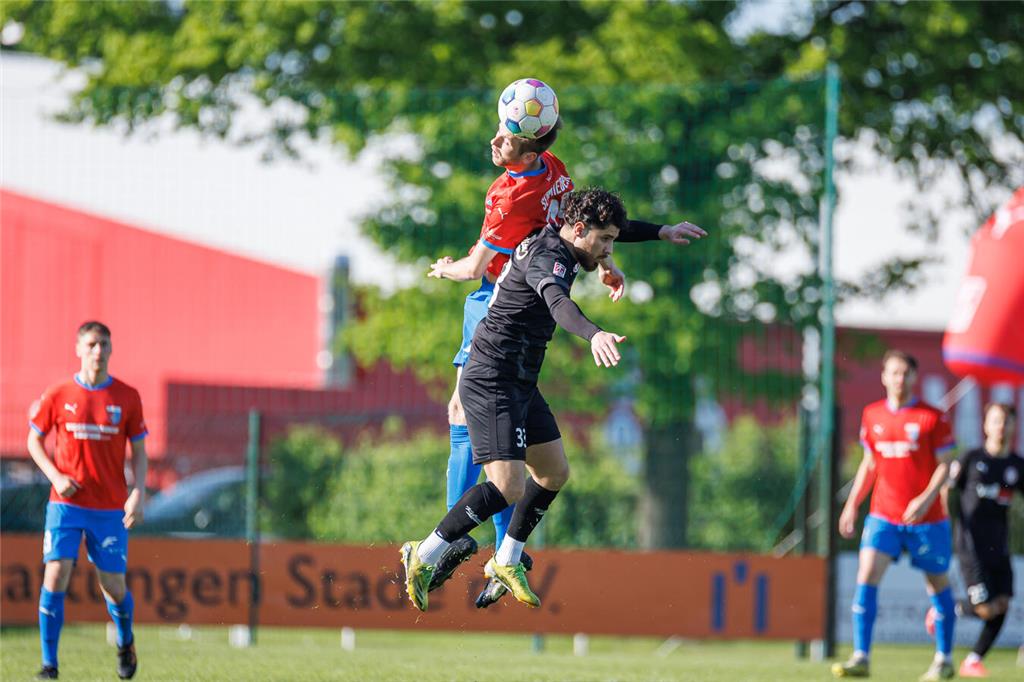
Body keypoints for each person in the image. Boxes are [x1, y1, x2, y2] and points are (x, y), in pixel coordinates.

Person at [427, 107, 705, 606]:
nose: (495, 141)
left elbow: (476, 268)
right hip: (521, 300)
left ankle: (468, 542)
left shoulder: (508, 195)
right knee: (493, 438)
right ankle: (487, 547)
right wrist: (631, 248)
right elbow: (582, 231)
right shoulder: (553, 169)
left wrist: (443, 268)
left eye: (504, 136)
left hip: (495, 301)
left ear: (527, 145)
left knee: (469, 418)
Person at [402, 188, 630, 612]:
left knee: (554, 472)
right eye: (604, 240)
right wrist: (594, 333)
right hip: (492, 379)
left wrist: (662, 231)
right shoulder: (549, 258)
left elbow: (614, 233)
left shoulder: (566, 237)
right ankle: (424, 552)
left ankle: (506, 559)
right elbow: (558, 303)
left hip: (520, 380)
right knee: (508, 486)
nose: (609, 250)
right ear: (579, 229)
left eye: (613, 240)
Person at [27, 321, 148, 680]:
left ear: (111, 349)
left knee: (113, 586)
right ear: (78, 349)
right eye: (92, 344)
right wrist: (56, 476)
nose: (99, 351)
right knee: (56, 574)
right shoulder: (59, 393)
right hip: (65, 505)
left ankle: (125, 641)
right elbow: (33, 441)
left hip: (109, 507)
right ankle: (49, 665)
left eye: (104, 344)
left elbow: (140, 451)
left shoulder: (127, 396)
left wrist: (139, 491)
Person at [832, 350, 958, 682]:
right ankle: (861, 656)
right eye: (894, 372)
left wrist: (925, 499)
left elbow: (945, 465)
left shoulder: (932, 417)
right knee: (867, 574)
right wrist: (852, 504)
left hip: (927, 519)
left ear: (914, 377)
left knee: (937, 583)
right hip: (884, 515)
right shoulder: (872, 414)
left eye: (905, 373)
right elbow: (870, 464)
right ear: (884, 376)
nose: (899, 379)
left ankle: (944, 659)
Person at [938, 403, 1023, 678]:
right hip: (970, 548)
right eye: (996, 421)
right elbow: (947, 490)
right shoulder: (971, 458)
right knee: (985, 609)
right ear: (985, 424)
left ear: (1014, 426)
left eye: (1006, 421)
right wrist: (945, 523)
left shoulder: (1016, 465)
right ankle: (946, 610)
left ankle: (973, 660)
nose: (1001, 427)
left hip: (1000, 547)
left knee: (1002, 604)